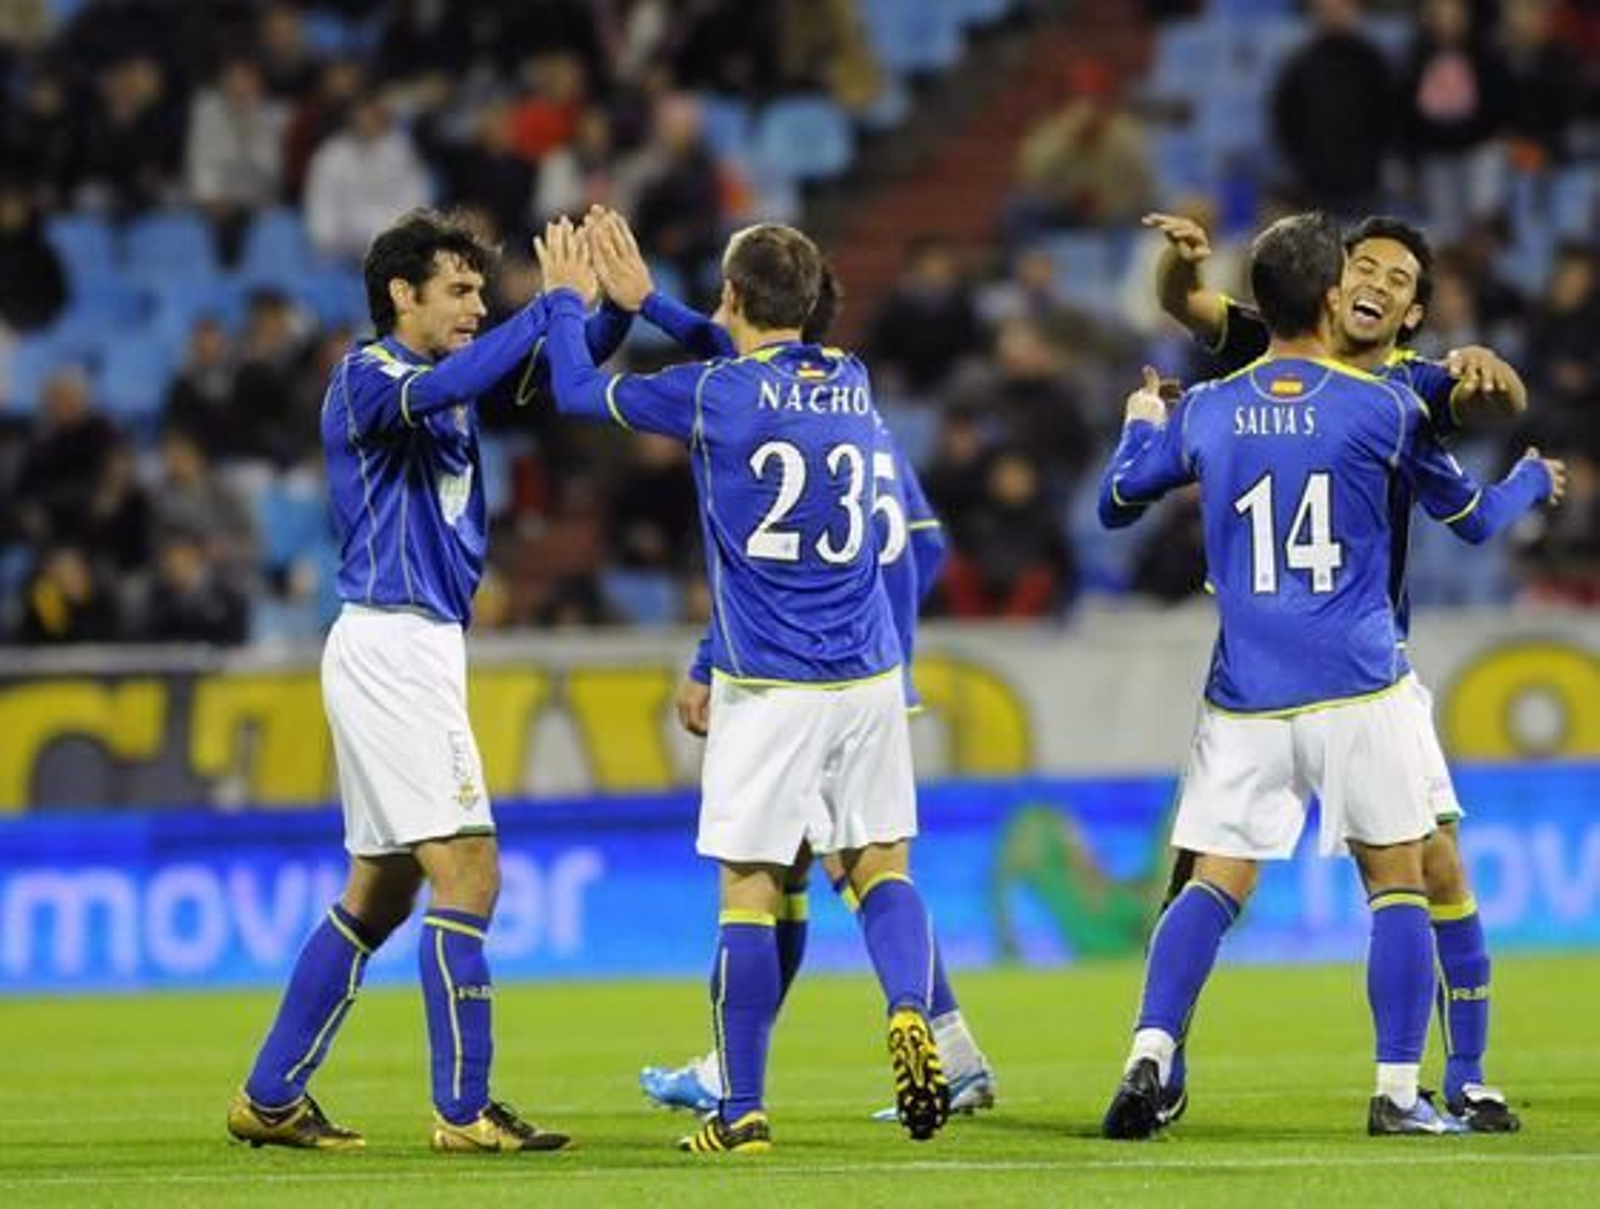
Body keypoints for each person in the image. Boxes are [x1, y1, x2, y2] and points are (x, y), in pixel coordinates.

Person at [1096, 213, 1563, 1139]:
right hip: (1362, 675)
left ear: (1414, 312)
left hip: (1247, 686)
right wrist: (1531, 479)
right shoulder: (1386, 407)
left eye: (1397, 276)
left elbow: (1118, 499)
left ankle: (1151, 1055)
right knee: (1401, 879)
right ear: (1327, 291)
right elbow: (1471, 511)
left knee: (1216, 881)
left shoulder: (1220, 400)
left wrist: (1144, 419)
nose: (1376, 281)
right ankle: (1398, 1088)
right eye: (1362, 264)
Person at [537, 216, 952, 1152]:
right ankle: (906, 1007)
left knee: (750, 887)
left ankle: (744, 1108)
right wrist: (655, 306)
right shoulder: (852, 381)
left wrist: (574, 300)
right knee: (881, 866)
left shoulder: (714, 395)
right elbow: (749, 342)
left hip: (769, 682)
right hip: (871, 672)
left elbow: (571, 388)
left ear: (730, 298)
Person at [226, 208, 631, 1154]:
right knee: (470, 869)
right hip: (393, 641)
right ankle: (465, 1109)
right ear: (401, 296)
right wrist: (546, 307)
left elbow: (560, 369)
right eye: (459, 290)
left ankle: (270, 1094)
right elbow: (472, 371)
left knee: (384, 889)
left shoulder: (451, 380)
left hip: (413, 645)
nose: (478, 306)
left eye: (483, 291)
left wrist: (600, 304)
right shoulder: (369, 376)